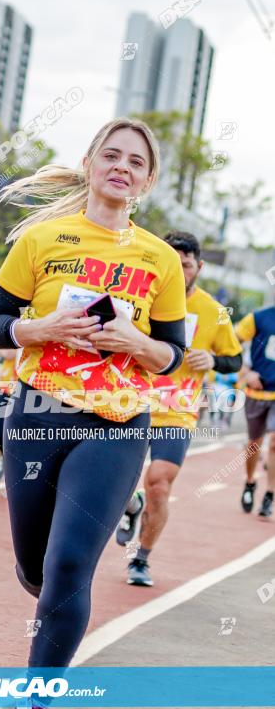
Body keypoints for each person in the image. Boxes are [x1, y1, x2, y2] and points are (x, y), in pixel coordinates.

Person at [0, 117, 186, 670]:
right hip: (39, 413)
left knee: (70, 567)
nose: (123, 167)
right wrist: (37, 330)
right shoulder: (41, 239)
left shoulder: (159, 258)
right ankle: (68, 569)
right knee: (37, 571)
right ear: (91, 165)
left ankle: (40, 695)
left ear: (147, 181)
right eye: (113, 156)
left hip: (115, 424)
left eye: (137, 162)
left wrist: (135, 340)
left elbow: (171, 356)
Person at [116, 231, 242, 586]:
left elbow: (234, 360)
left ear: (198, 267)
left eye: (186, 265)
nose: (179, 270)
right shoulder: (139, 296)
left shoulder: (213, 312)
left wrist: (214, 359)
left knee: (158, 483)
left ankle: (140, 560)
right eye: (172, 262)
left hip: (178, 410)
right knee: (118, 483)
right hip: (128, 401)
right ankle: (130, 506)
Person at [235, 304, 275, 517]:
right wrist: (246, 372)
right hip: (257, 391)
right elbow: (229, 343)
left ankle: (269, 494)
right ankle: (250, 482)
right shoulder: (257, 318)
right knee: (254, 444)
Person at [0, 348, 19, 480]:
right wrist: (1, 350)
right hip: (6, 386)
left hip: (25, 389)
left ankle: (13, 470)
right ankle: (3, 457)